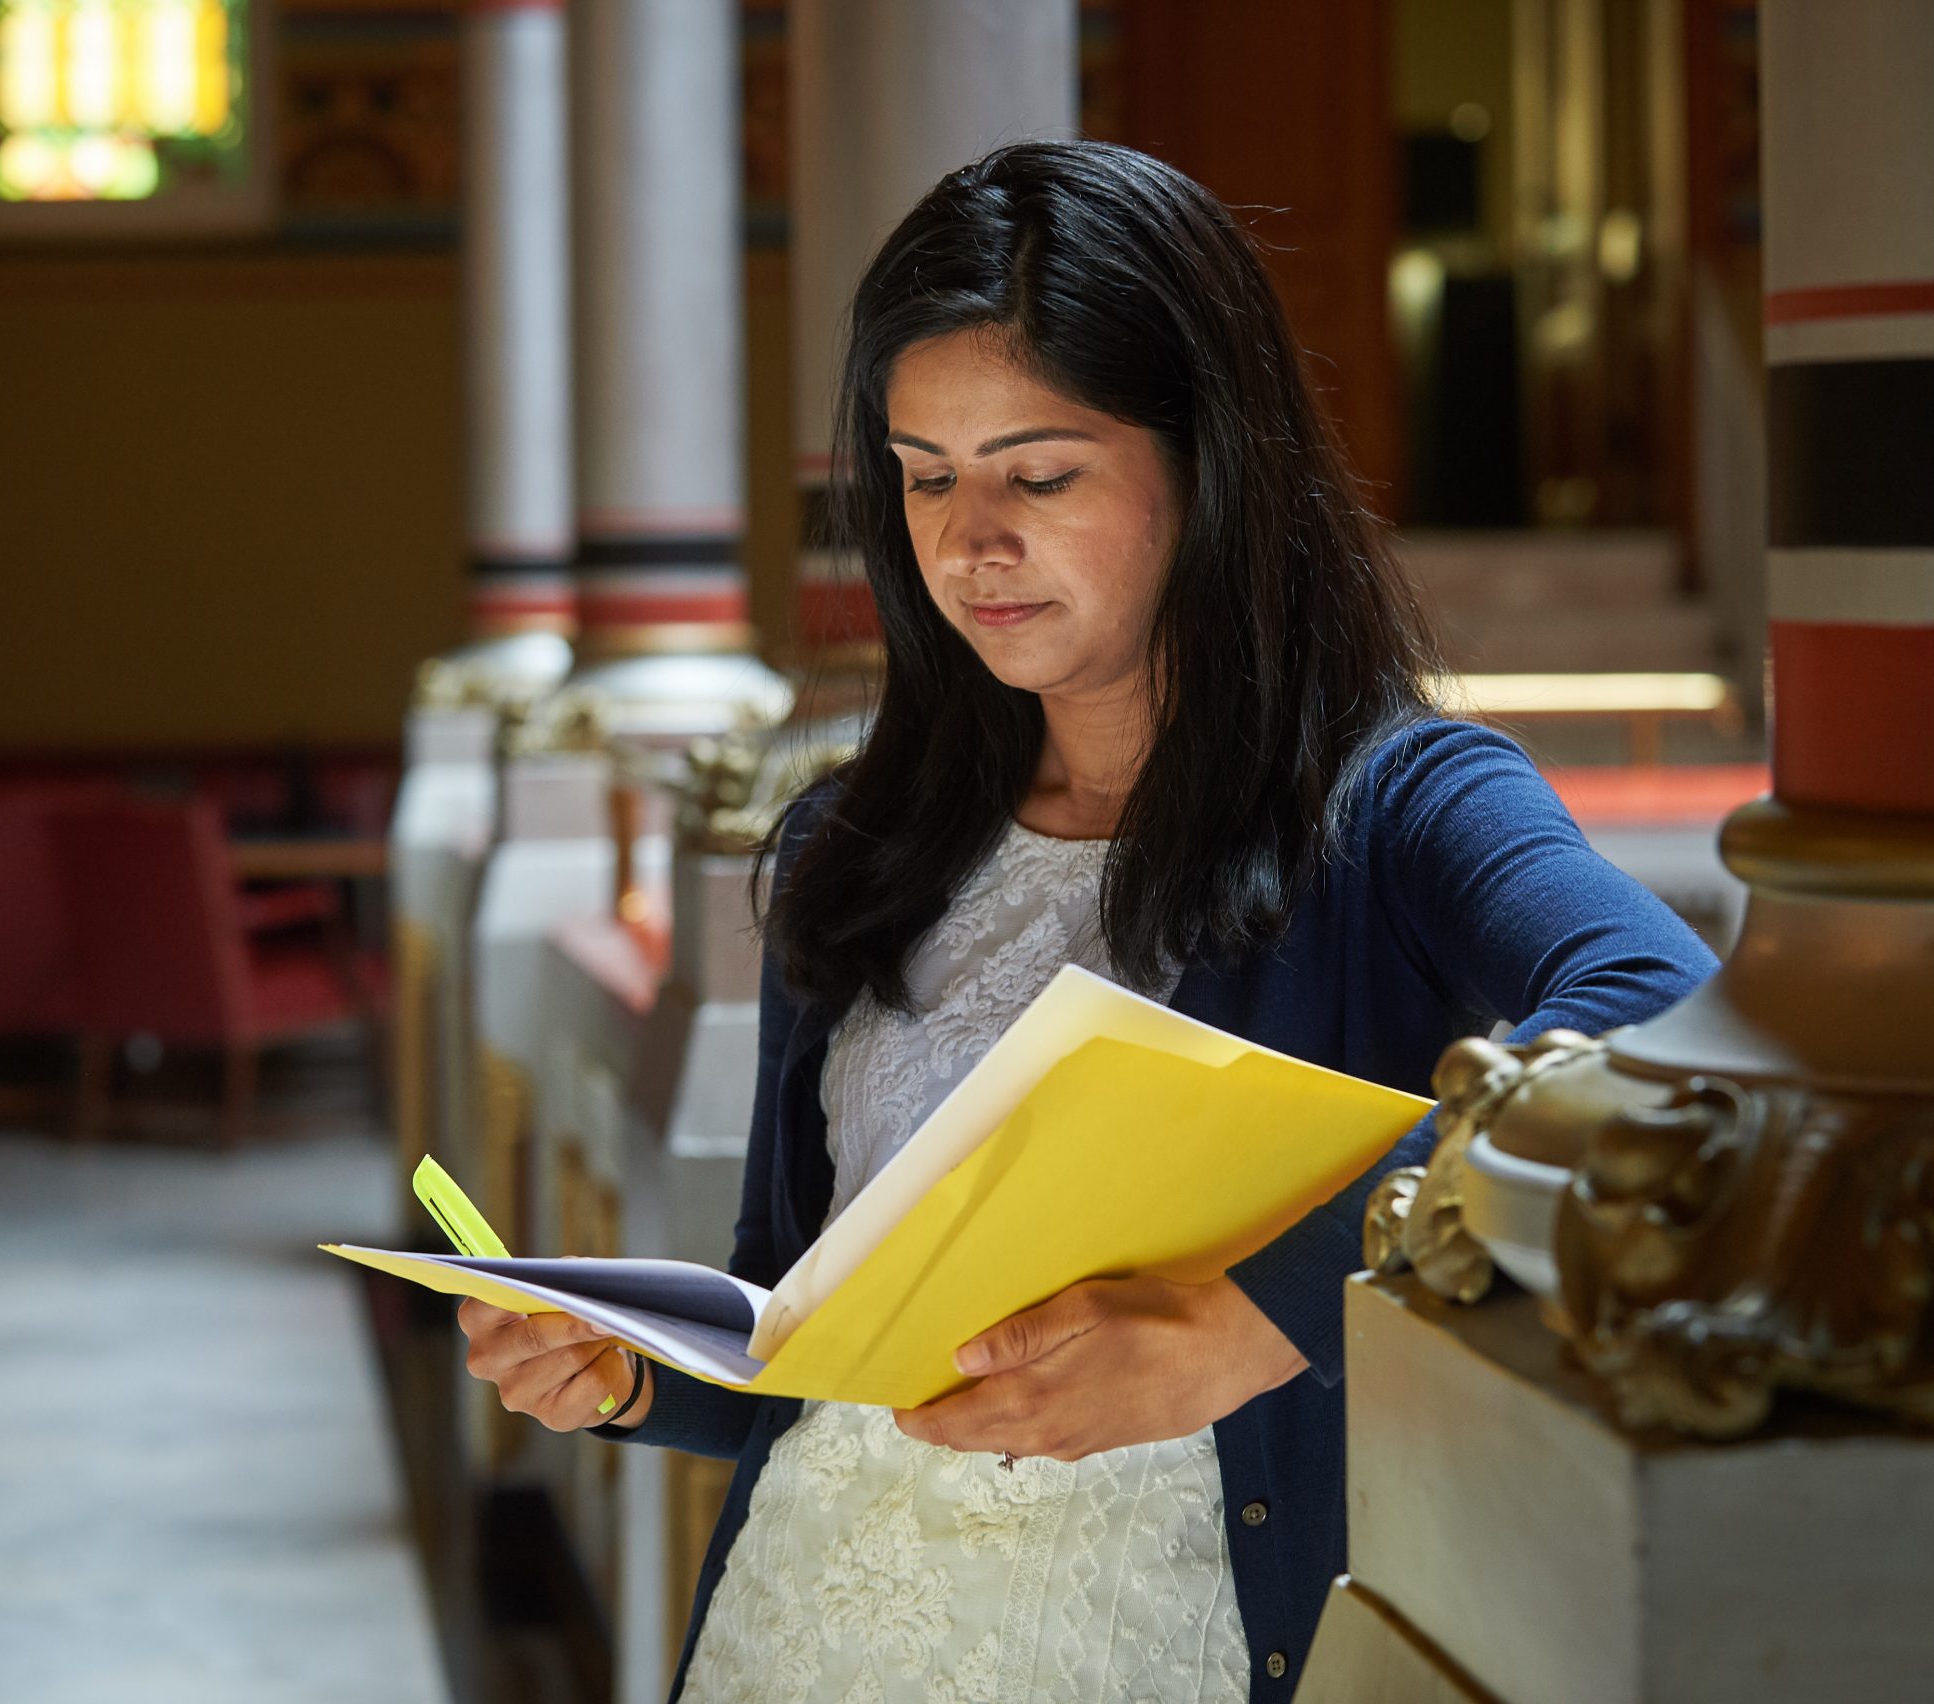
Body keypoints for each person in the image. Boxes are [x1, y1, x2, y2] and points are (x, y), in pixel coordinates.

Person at [458, 140, 1718, 1702]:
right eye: (925, 476)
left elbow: (1666, 1007)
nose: (969, 541)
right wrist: (638, 1370)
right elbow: (812, 1333)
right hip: (813, 1631)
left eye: (1039, 475)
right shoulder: (850, 845)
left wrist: (1269, 1308)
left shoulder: (1394, 808)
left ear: (1210, 465)